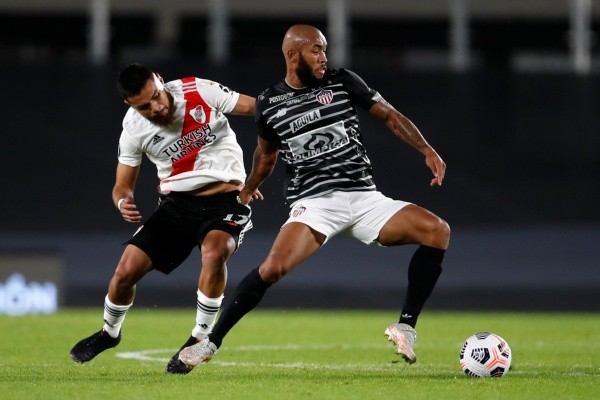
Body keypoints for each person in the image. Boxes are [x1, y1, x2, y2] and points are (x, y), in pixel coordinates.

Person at [178, 24, 451, 369]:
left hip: (365, 198)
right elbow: (266, 156)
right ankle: (209, 343)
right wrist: (248, 188)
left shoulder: (342, 81)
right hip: (315, 203)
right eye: (316, 50)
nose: (324, 57)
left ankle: (406, 326)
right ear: (293, 55)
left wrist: (426, 149)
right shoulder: (269, 103)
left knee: (437, 231)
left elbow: (390, 116)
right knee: (272, 268)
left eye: (324, 50)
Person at [69, 63, 258, 374]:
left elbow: (257, 109)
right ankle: (109, 334)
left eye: (156, 96)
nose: (156, 107)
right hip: (176, 205)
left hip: (226, 199)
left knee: (215, 252)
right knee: (124, 272)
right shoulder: (133, 128)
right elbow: (122, 185)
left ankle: (198, 339)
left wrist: (256, 178)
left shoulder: (199, 90)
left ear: (159, 79)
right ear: (129, 104)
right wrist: (122, 202)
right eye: (144, 106)